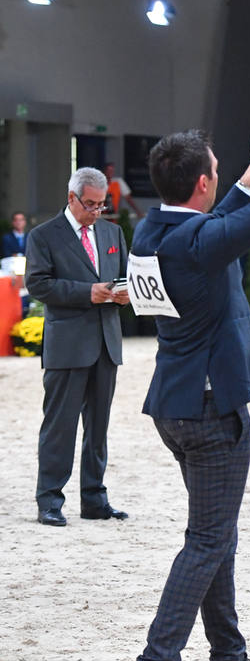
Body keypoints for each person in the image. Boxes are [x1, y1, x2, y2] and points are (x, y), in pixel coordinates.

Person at [123, 129, 250, 661]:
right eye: (218, 172)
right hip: (210, 411)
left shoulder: (154, 230)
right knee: (208, 540)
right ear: (202, 183)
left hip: (175, 403)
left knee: (216, 533)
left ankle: (229, 657)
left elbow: (209, 226)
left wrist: (244, 182)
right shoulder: (197, 242)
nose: (221, 177)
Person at [24, 167, 129, 527]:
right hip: (68, 345)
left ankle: (94, 499)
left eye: (102, 205)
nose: (97, 211)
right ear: (71, 198)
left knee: (98, 428)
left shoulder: (113, 232)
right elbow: (38, 284)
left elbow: (124, 275)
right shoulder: (43, 235)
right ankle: (50, 500)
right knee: (60, 427)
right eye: (91, 204)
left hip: (107, 343)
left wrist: (126, 294)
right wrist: (86, 293)